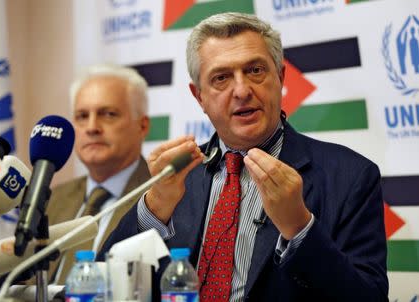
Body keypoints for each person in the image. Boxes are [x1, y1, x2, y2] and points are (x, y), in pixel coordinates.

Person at [99, 13, 388, 301]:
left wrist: (300, 229)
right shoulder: (179, 174)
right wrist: (155, 207)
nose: (242, 90)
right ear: (199, 96)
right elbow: (101, 285)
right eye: (221, 78)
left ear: (280, 78)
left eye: (255, 71)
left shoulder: (350, 176)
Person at [45, 63, 151, 285]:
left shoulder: (160, 195)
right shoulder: (53, 198)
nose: (91, 127)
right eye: (82, 116)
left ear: (142, 126)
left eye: (108, 114)